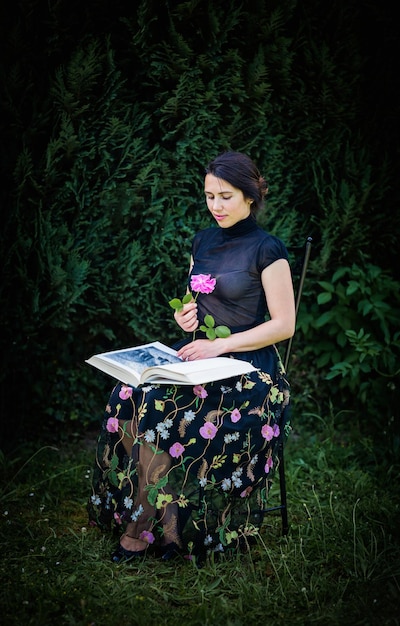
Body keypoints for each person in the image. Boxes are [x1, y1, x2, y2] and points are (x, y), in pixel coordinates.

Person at [88, 150, 295, 563]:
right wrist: (187, 316)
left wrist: (219, 344)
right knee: (129, 397)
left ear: (250, 196)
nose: (215, 206)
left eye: (226, 196)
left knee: (165, 408)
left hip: (252, 373)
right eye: (208, 196)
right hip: (202, 359)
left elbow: (284, 325)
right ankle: (163, 524)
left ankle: (142, 528)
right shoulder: (201, 241)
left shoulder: (268, 249)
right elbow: (198, 304)